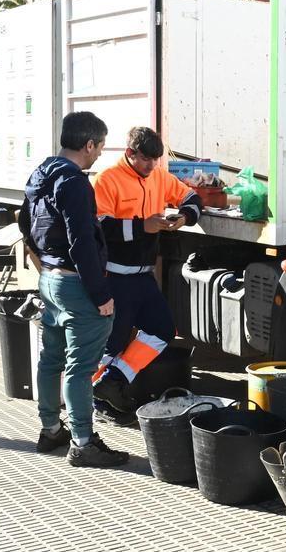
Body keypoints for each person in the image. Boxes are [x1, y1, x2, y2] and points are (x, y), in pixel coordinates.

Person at [19, 111, 129, 468]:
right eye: (99, 147)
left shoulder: (41, 173)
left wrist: (43, 262)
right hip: (75, 282)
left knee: (51, 359)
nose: (99, 154)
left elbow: (25, 222)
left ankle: (51, 429)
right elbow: (81, 241)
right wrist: (101, 296)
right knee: (80, 368)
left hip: (49, 280)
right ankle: (83, 443)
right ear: (89, 144)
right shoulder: (76, 183)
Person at [89, 127, 202, 422]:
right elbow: (99, 228)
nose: (152, 166)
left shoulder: (159, 176)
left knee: (162, 330)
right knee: (110, 344)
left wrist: (184, 217)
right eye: (146, 160)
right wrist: (143, 227)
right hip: (114, 277)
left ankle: (111, 383)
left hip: (142, 277)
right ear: (130, 154)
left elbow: (191, 197)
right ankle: (89, 401)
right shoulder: (107, 179)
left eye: (156, 160)